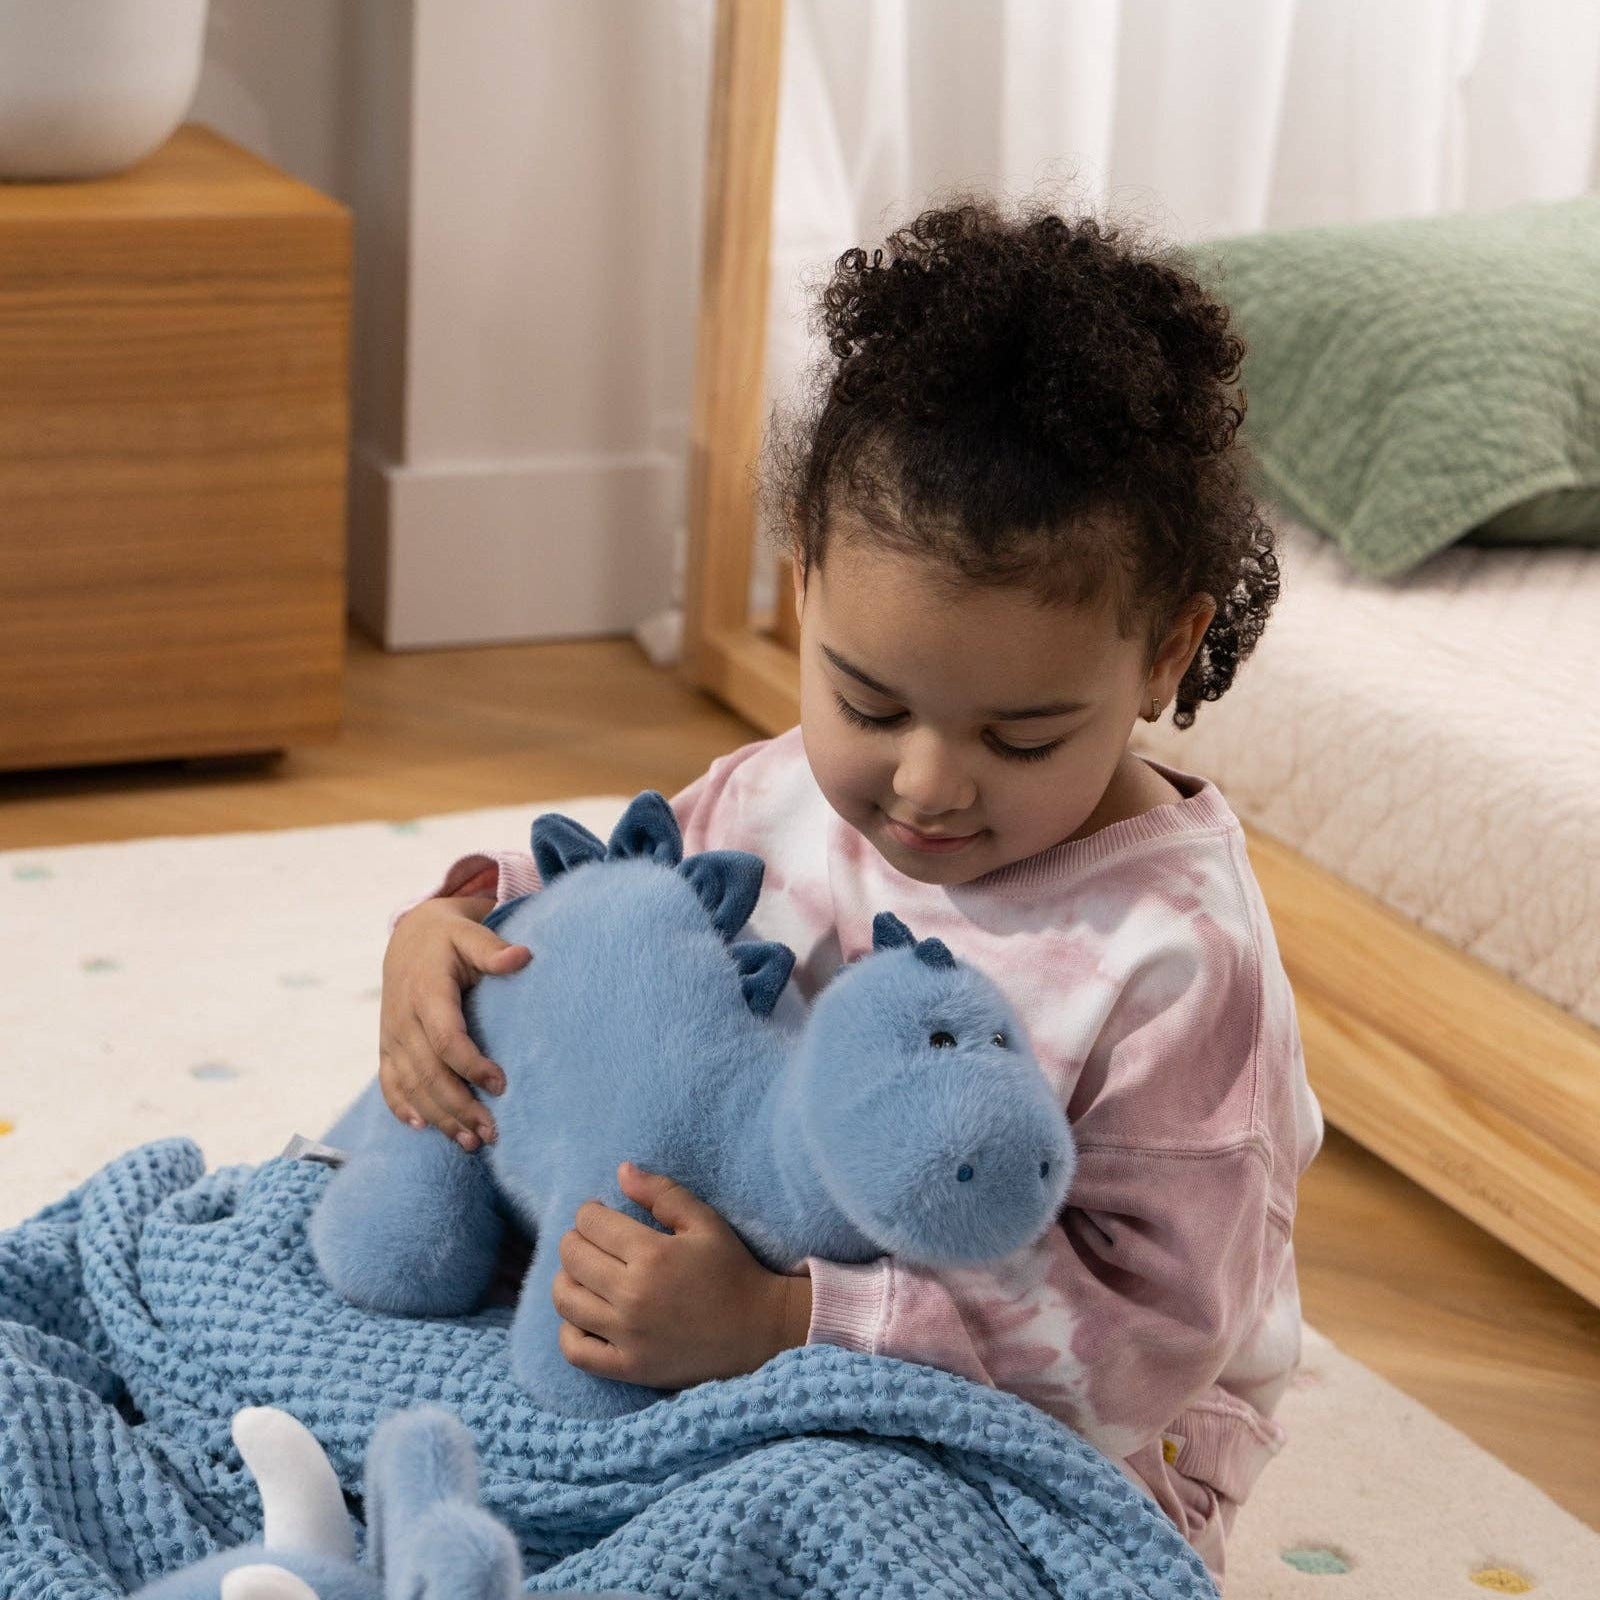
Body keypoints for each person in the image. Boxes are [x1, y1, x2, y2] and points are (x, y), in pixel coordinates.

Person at [373, 195, 1324, 1588]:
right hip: (724, 1303)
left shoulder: (1177, 961)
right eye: (868, 703)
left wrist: (787, 1324)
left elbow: (1146, 1345)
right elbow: (627, 917)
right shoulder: (775, 790)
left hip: (1058, 1438)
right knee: (412, 1309)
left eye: (1022, 737)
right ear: (805, 581)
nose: (927, 786)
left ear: (1164, 656)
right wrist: (445, 928)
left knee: (824, 1526)